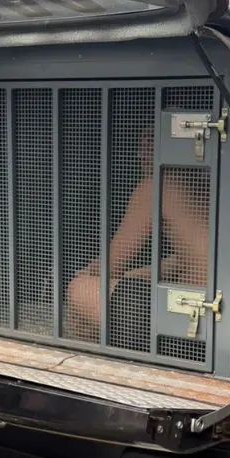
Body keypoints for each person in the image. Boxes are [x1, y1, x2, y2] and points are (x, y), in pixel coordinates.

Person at [65, 127, 210, 337]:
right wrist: (132, 275)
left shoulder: (155, 186)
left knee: (80, 288)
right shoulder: (208, 185)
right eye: (141, 146)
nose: (140, 154)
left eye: (150, 144)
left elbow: (112, 263)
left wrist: (89, 273)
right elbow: (185, 259)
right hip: (214, 308)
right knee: (136, 280)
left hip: (184, 315)